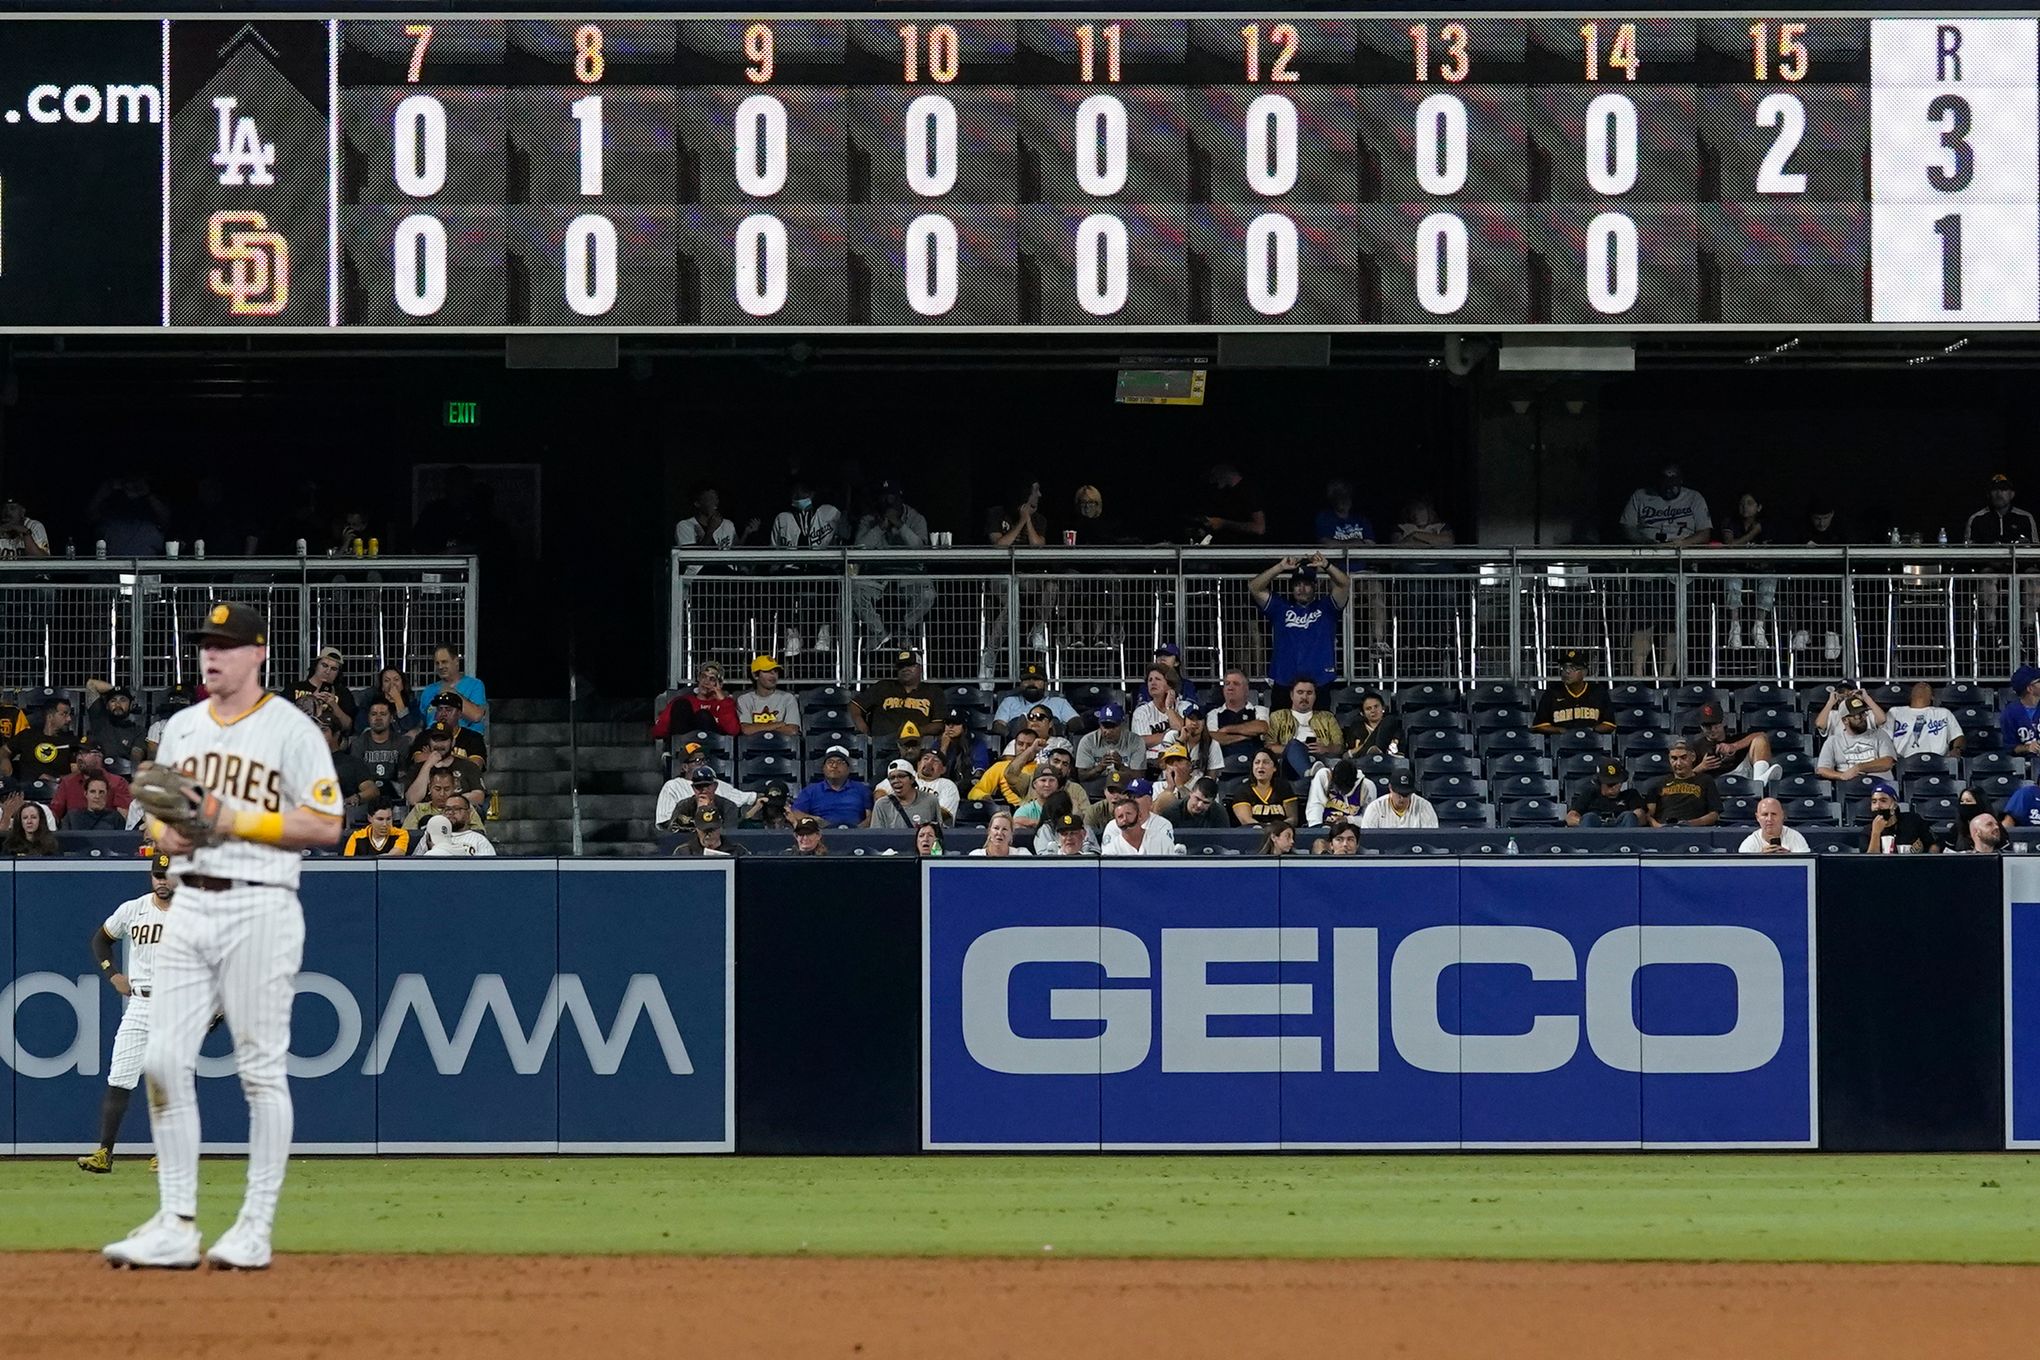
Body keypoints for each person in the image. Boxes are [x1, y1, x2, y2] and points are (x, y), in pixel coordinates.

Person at [108, 601, 344, 1270]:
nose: (213, 655)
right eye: (207, 644)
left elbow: (326, 824)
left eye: (228, 645)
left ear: (257, 654)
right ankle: (175, 1223)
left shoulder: (290, 730)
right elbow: (159, 813)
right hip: (189, 903)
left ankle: (254, 1226)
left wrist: (232, 819)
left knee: (261, 1073)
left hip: (261, 904)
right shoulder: (182, 726)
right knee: (161, 1058)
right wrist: (166, 831)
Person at [75, 854, 177, 1174]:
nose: (162, 880)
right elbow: (101, 940)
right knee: (120, 1077)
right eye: (157, 875)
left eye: (167, 874)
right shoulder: (133, 908)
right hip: (141, 1003)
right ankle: (104, 1153)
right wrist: (113, 973)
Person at [1619, 463, 1711, 673]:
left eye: (1674, 484)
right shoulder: (1641, 495)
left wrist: (1681, 544)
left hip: (1679, 569)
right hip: (1647, 569)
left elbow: (1704, 533)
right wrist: (1649, 544)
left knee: (1673, 625)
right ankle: (1638, 676)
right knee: (1643, 623)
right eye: (1665, 484)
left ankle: (1668, 676)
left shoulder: (1694, 497)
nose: (1669, 489)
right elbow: (1627, 528)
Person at [1249, 552, 1350, 699]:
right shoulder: (1280, 608)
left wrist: (1327, 565)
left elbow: (1345, 583)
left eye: (1306, 584)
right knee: (1280, 722)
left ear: (1314, 586)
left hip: (1319, 682)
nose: (1301, 589)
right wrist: (1280, 567)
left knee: (1320, 723)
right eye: (1297, 585)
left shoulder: (1327, 607)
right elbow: (1254, 587)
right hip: (1284, 681)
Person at [851, 482, 935, 648]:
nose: (887, 502)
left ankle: (904, 630)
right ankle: (878, 631)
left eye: (892, 498)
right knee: (852, 592)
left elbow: (920, 549)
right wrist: (880, 527)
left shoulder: (916, 518)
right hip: (876, 574)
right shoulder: (869, 519)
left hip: (910, 574)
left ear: (900, 499)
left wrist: (900, 525)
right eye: (884, 498)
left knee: (927, 594)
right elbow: (859, 550)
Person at [1315, 478, 1390, 658]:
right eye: (1338, 496)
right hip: (1334, 574)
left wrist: (1345, 545)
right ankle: (1329, 638)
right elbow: (1326, 544)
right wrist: (1357, 543)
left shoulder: (1361, 519)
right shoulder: (1324, 518)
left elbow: (1371, 545)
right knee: (1333, 594)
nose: (1343, 499)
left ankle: (1377, 641)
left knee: (1376, 591)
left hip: (1361, 574)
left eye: (1345, 496)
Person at [1717, 492, 1776, 650]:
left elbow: (1770, 552)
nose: (1745, 507)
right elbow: (1730, 545)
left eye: (1750, 503)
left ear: (1759, 507)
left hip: (1760, 570)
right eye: (1742, 503)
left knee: (1769, 581)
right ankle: (1735, 628)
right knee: (1732, 581)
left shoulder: (1767, 524)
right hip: (1735, 568)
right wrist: (1753, 533)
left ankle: (1759, 627)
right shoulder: (1730, 522)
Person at [1267, 677, 1344, 780]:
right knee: (1294, 744)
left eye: (1309, 693)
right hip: (1289, 764)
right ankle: (1311, 776)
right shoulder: (1278, 716)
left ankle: (1312, 775)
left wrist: (1326, 749)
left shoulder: (1327, 717)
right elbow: (1269, 746)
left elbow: (1340, 746)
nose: (1304, 696)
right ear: (1291, 695)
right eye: (1300, 692)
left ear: (1315, 696)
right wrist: (1296, 749)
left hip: (1320, 759)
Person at [855, 650, 939, 743]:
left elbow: (939, 724)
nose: (905, 669)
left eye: (910, 665)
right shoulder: (883, 686)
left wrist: (912, 732)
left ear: (920, 668)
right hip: (883, 747)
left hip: (917, 745)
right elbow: (854, 705)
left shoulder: (933, 691)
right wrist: (862, 727)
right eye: (901, 666)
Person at [1814, 695, 1898, 784]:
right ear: (1845, 720)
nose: (1862, 718)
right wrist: (1841, 776)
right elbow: (1822, 769)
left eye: (1863, 714)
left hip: (1880, 786)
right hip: (1850, 787)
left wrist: (1858, 768)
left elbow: (1888, 762)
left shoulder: (1879, 734)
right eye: (1857, 716)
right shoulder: (1833, 741)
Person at [1691, 703, 1777, 787]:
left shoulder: (1736, 739)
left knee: (1760, 741)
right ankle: (1761, 782)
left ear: (1723, 722)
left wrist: (1734, 746)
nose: (1712, 729)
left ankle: (1759, 783)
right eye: (1707, 726)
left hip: (1744, 777)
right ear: (1701, 726)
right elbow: (1682, 778)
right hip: (1715, 784)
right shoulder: (1695, 747)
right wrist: (1701, 767)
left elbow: (1762, 735)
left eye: (1716, 724)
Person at [1532, 648, 1615, 734]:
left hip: (1593, 742)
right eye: (1564, 667)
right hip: (1560, 743)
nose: (1567, 671)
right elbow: (1539, 726)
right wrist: (1562, 731)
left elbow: (1609, 725)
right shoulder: (1552, 693)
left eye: (1573, 668)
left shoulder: (1598, 692)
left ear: (1584, 672)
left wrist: (1590, 731)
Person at [653, 662, 740, 740]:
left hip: (713, 750)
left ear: (719, 684)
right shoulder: (682, 702)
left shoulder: (726, 703)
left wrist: (722, 701)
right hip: (685, 750)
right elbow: (658, 732)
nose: (706, 682)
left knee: (703, 715)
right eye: (703, 677)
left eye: (712, 679)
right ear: (698, 678)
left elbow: (733, 731)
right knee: (681, 705)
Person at [791, 745, 873, 827]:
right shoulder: (811, 791)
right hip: (821, 835)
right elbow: (796, 812)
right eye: (830, 762)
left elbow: (870, 817)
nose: (834, 766)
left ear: (849, 769)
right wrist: (815, 820)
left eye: (840, 762)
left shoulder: (862, 789)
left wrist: (858, 831)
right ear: (823, 768)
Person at [51, 741, 134, 822]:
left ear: (99, 756)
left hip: (107, 832)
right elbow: (54, 813)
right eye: (78, 753)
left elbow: (124, 816)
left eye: (85, 753)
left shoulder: (117, 782)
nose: (79, 757)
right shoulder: (67, 782)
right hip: (75, 832)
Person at [1646, 741, 1723, 828]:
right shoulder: (1658, 784)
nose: (1678, 763)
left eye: (1683, 758)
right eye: (1674, 758)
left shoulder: (1706, 781)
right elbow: (1649, 815)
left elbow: (1714, 815)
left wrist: (1689, 824)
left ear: (1693, 757)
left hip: (1695, 831)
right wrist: (1659, 827)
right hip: (1665, 831)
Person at [992, 663, 1078, 739]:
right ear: (1020, 684)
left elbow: (1076, 721)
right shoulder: (1009, 701)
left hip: (1052, 747)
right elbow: (998, 725)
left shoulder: (1059, 702)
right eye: (1027, 680)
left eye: (1037, 679)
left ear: (1046, 684)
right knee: (1016, 722)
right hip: (1020, 747)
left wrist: (1065, 729)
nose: (1031, 683)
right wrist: (1010, 733)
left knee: (1053, 721)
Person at [348, 700, 409, 807]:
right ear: (368, 718)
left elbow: (403, 776)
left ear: (391, 718)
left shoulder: (401, 742)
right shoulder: (358, 744)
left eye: (383, 714)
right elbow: (356, 778)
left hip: (394, 796)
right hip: (366, 797)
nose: (378, 718)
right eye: (374, 714)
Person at [8, 696, 78, 785]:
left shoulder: (71, 741)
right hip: (26, 792)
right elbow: (5, 750)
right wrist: (4, 760)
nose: (69, 719)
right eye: (64, 714)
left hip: (57, 792)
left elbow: (77, 774)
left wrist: (56, 779)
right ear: (50, 716)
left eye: (69, 714)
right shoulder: (28, 735)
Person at [417, 644, 488, 733]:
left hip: (466, 742)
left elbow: (476, 716)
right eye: (437, 663)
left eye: (444, 662)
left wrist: (451, 692)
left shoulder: (475, 685)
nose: (440, 667)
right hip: (434, 741)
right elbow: (422, 723)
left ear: (456, 661)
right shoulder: (428, 690)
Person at [285, 647, 357, 734]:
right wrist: (311, 700)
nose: (328, 671)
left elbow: (347, 727)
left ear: (338, 673)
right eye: (324, 665)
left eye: (334, 669)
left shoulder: (343, 693)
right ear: (316, 665)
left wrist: (334, 705)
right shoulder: (294, 688)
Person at [1885, 682, 1964, 759]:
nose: (1923, 683)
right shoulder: (1895, 711)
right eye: (1917, 685)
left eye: (1927, 685)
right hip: (1902, 762)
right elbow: (1884, 737)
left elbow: (1958, 736)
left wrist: (1957, 749)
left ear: (1932, 697)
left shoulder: (1943, 713)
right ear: (1910, 695)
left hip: (1938, 761)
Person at [1100, 779, 1177, 857]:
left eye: (1136, 796)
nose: (1131, 800)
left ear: (1149, 800)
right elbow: (1107, 859)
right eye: (1129, 796)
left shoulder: (1162, 824)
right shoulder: (1113, 825)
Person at [1075, 703, 1145, 781]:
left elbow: (1140, 776)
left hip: (1125, 787)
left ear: (1122, 724)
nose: (1108, 731)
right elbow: (1081, 776)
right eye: (1105, 726)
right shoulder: (1088, 741)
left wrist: (1120, 766)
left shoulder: (1136, 741)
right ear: (1099, 724)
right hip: (1095, 787)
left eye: (1112, 726)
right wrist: (1099, 767)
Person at [1228, 749, 1299, 826]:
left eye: (1265, 762)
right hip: (1253, 834)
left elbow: (1293, 819)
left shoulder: (1284, 787)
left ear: (1274, 768)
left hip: (1280, 833)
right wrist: (1267, 828)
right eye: (1257, 762)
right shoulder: (1242, 790)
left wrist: (1277, 829)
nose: (1260, 766)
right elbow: (1246, 821)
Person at [665, 765, 742, 834]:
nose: (703, 790)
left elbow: (729, 834)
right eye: (699, 786)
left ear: (715, 786)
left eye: (707, 786)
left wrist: (708, 810)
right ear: (693, 788)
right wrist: (700, 812)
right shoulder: (683, 806)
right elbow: (672, 832)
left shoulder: (728, 807)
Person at [1567, 760, 1647, 827]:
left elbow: (1641, 816)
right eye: (1610, 784)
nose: (1615, 787)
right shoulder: (1590, 794)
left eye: (1618, 783)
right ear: (1600, 783)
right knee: (1589, 817)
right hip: (1594, 832)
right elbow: (1570, 817)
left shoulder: (1631, 795)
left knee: (1629, 816)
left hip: (1622, 831)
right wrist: (1584, 821)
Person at [83, 683, 149, 764]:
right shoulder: (99, 720)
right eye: (113, 701)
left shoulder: (139, 731)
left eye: (123, 700)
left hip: (126, 773)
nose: (117, 704)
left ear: (131, 705)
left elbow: (136, 754)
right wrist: (115, 688)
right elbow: (91, 684)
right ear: (107, 706)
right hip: (98, 773)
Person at [1865, 781, 1938, 853]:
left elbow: (1934, 844)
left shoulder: (1912, 821)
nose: (1878, 806)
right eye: (1874, 802)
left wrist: (1930, 860)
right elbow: (1870, 862)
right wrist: (1876, 833)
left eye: (1883, 801)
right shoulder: (1867, 831)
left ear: (1894, 805)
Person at [1200, 463, 1266, 542]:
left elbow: (1259, 528)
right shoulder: (1226, 493)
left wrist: (1223, 523)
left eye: (1213, 475)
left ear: (1223, 471)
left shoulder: (1249, 491)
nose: (1212, 481)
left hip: (1247, 550)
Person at [1210, 669, 1271, 754]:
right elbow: (1215, 737)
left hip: (1254, 763)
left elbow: (1261, 727)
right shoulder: (1214, 713)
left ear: (1246, 689)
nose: (1230, 687)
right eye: (1227, 684)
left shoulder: (1259, 710)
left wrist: (1226, 729)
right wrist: (1244, 736)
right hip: (1224, 763)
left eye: (1236, 684)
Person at [872, 758, 943, 830]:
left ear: (912, 779)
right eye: (892, 778)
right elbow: (876, 837)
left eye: (901, 776)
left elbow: (939, 833)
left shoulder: (930, 800)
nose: (896, 781)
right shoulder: (881, 805)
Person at [415, 797, 495, 857]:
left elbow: (488, 870)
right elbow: (415, 864)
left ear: (469, 813)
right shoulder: (430, 836)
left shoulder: (479, 840)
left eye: (456, 809)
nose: (450, 813)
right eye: (447, 809)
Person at [1306, 757, 1374, 828]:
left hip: (1352, 827)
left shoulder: (1367, 786)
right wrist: (1316, 828)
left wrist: (1348, 820)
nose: (1341, 792)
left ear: (1354, 781)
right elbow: (1315, 805)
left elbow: (1368, 820)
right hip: (1325, 825)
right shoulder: (1324, 776)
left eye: (1345, 788)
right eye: (1339, 787)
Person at [1358, 769, 1438, 829]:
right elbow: (1368, 841)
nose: (1402, 798)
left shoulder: (1425, 807)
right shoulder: (1375, 808)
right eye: (1399, 794)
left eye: (1406, 794)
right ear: (1390, 788)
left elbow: (1431, 839)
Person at [1132, 667, 1186, 752]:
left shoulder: (1183, 706)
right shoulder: (1141, 712)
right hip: (1150, 761)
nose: (1153, 683)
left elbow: (1182, 730)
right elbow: (1141, 741)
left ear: (1169, 685)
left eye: (1158, 679)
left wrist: (1169, 708)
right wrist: (1169, 735)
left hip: (1177, 759)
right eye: (1150, 680)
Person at [1341, 691, 1403, 759]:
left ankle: (1375, 749)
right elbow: (1346, 755)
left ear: (1383, 708)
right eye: (1368, 708)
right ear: (1362, 713)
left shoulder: (1394, 725)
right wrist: (1365, 746)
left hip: (1388, 763)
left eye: (1376, 706)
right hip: (1362, 761)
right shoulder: (1356, 728)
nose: (1373, 711)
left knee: (1390, 719)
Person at [1738, 797, 1810, 854]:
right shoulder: (1749, 844)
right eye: (1765, 814)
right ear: (1757, 817)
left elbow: (1807, 865)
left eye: (1774, 814)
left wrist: (1788, 857)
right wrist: (1760, 857)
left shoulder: (1795, 837)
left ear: (1782, 815)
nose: (1769, 819)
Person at [672, 804, 746, 858]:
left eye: (712, 830)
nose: (708, 835)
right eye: (704, 830)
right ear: (697, 828)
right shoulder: (683, 853)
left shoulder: (737, 852)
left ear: (720, 827)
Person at [62, 774, 127, 831]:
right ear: (86, 794)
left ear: (107, 794)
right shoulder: (72, 818)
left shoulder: (116, 818)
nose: (97, 796)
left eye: (101, 792)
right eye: (92, 791)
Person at [1161, 777, 1230, 831]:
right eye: (1197, 799)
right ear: (1190, 793)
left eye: (1206, 802)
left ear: (1212, 802)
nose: (1199, 805)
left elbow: (1223, 841)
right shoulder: (1171, 812)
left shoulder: (1219, 813)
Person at [342, 804, 410, 856]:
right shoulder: (356, 837)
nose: (385, 824)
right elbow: (348, 863)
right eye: (380, 819)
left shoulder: (401, 834)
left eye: (388, 819)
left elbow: (397, 853)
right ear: (370, 818)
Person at [2003, 666, 2040, 758]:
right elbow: (2011, 748)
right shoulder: (2010, 713)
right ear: (2030, 689)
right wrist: (2028, 747)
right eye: (2039, 682)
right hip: (2026, 763)